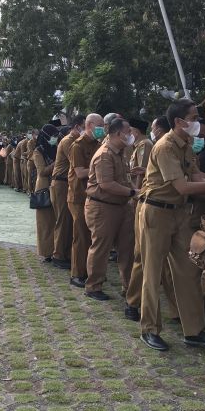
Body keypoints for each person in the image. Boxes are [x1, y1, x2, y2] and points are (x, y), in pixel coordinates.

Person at [137, 98, 205, 352]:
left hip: (179, 213)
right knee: (153, 271)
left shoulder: (186, 144)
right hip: (157, 212)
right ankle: (149, 328)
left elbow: (195, 176)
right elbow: (182, 186)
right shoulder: (165, 146)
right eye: (193, 117)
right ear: (179, 122)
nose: (197, 122)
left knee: (189, 270)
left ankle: (193, 330)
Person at [126, 116, 179, 323]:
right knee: (144, 260)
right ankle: (134, 302)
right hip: (151, 205)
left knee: (168, 265)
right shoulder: (159, 146)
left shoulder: (156, 145)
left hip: (168, 209)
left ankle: (176, 309)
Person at [84, 118, 136, 301]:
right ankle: (93, 286)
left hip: (121, 206)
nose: (131, 135)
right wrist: (132, 191)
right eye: (128, 131)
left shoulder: (120, 153)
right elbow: (106, 184)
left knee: (127, 248)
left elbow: (120, 178)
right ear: (117, 134)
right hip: (103, 207)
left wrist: (132, 178)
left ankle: (129, 286)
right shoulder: (104, 154)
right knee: (101, 247)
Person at [67, 113, 104, 288]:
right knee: (80, 237)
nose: (102, 129)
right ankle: (76, 273)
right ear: (89, 125)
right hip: (78, 196)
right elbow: (80, 172)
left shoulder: (98, 144)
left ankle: (89, 272)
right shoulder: (77, 145)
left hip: (92, 196)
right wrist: (100, 168)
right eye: (99, 125)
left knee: (90, 237)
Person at [50, 116, 84, 270]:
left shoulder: (74, 141)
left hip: (66, 183)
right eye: (84, 127)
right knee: (62, 220)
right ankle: (58, 255)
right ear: (77, 127)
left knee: (68, 220)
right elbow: (77, 162)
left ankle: (65, 253)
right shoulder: (68, 142)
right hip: (61, 183)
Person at [31, 125, 59, 262]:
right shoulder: (38, 151)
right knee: (45, 223)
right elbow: (41, 171)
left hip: (55, 187)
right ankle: (46, 252)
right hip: (43, 189)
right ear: (46, 136)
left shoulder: (55, 148)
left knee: (55, 221)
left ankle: (56, 250)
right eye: (53, 135)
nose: (55, 138)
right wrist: (57, 163)